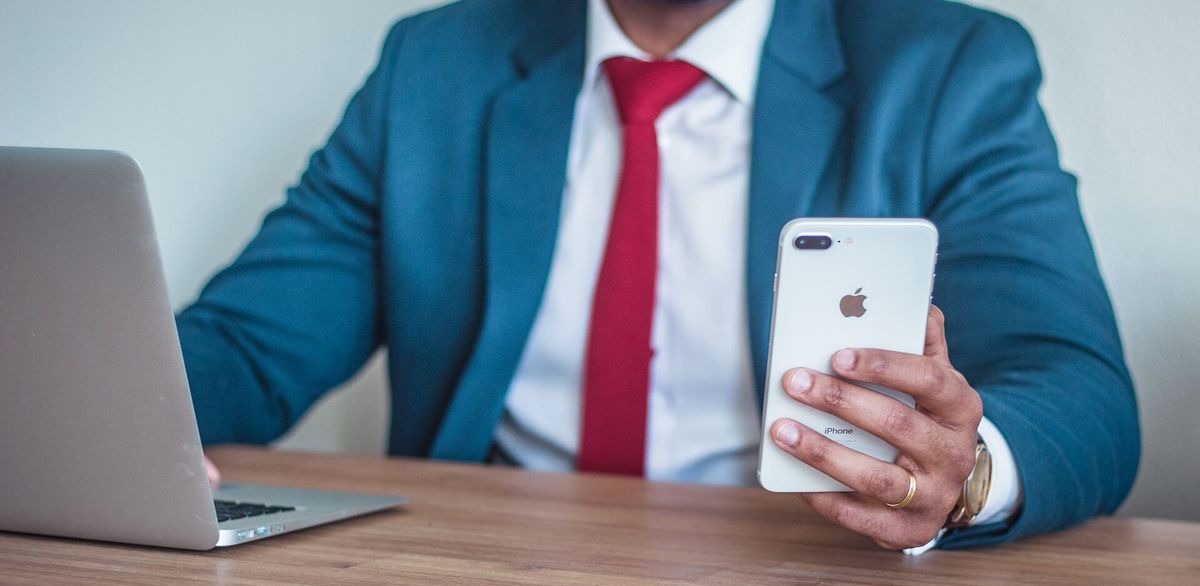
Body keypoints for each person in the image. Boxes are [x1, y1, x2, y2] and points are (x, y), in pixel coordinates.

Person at [180, 0, 1139, 552]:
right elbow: (247, 344)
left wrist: (961, 475)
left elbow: (1082, 392)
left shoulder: (947, 67)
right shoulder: (435, 63)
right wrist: (76, 404)